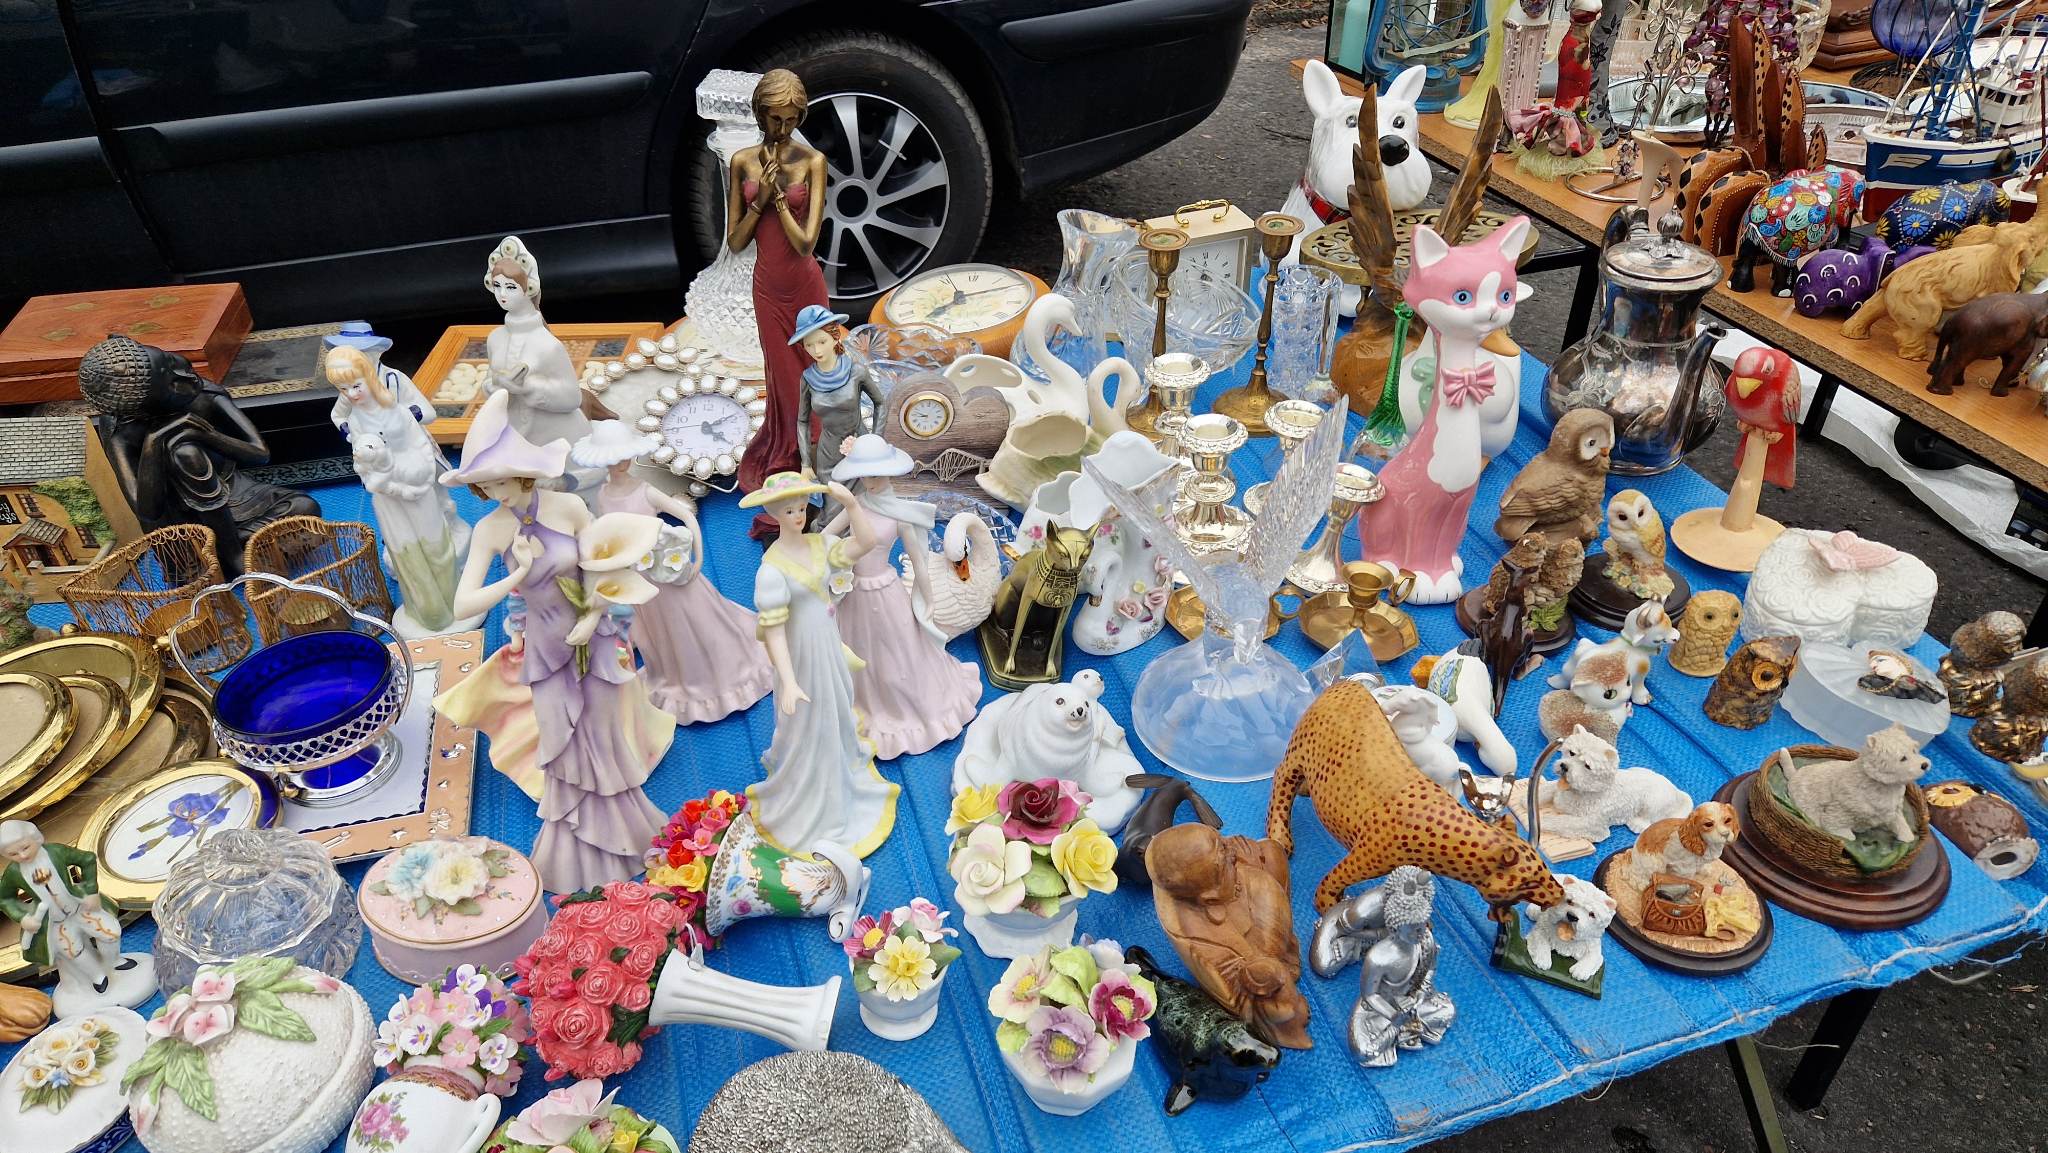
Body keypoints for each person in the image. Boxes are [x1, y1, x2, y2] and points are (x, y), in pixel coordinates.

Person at [442, 392, 671, 893]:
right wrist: (517, 573)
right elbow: (463, 606)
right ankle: (572, 848)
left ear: (523, 472)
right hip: (545, 652)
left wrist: (594, 617)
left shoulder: (568, 507)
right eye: (486, 485)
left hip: (593, 637)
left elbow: (600, 567)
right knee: (560, 741)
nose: (497, 493)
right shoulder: (490, 530)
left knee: (605, 734)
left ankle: (627, 832)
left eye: (501, 480)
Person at [739, 471, 900, 858]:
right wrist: (789, 681)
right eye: (788, 510)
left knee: (838, 702)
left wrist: (852, 505)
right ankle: (811, 781)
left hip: (828, 642)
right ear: (774, 515)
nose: (797, 516)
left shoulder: (821, 544)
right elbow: (774, 632)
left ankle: (837, 766)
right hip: (801, 652)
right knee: (807, 718)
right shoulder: (771, 569)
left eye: (801, 508)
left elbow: (866, 543)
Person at [574, 420, 773, 723]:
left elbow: (687, 516)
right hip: (638, 578)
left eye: (624, 456)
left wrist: (697, 558)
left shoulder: (644, 491)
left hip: (666, 571)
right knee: (663, 633)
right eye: (614, 459)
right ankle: (679, 674)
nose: (621, 463)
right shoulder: (602, 495)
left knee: (697, 622)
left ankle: (719, 676)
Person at [76, 334, 319, 577]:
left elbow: (260, 453)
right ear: (146, 406)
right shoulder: (122, 429)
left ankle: (222, 549)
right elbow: (147, 511)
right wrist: (154, 444)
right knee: (185, 453)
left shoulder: (203, 393)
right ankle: (232, 554)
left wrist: (206, 435)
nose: (183, 370)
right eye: (171, 377)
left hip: (234, 492)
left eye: (170, 358)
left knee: (305, 507)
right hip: (181, 517)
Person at [828, 434, 980, 759]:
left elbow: (919, 561)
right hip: (852, 591)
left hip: (884, 593)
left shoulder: (899, 513)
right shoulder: (856, 504)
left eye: (876, 474)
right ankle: (863, 701)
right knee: (856, 649)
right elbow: (826, 536)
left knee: (897, 653)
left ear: (888, 472)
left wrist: (928, 598)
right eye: (864, 475)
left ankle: (904, 708)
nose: (869, 481)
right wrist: (825, 556)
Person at [729, 69, 830, 537]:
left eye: (791, 119)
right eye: (774, 119)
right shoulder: (742, 161)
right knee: (785, 378)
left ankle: (819, 460)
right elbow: (735, 242)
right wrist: (760, 200)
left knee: (816, 371)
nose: (783, 128)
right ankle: (793, 460)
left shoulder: (812, 161)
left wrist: (780, 204)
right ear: (759, 115)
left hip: (805, 287)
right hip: (768, 287)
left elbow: (807, 243)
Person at [326, 343, 475, 636]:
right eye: (343, 389)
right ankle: (427, 611)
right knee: (405, 552)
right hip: (386, 496)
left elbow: (421, 448)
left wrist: (409, 475)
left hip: (417, 488)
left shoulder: (398, 410)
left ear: (369, 377)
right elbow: (361, 462)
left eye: (356, 386)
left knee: (436, 545)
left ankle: (453, 603)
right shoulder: (355, 420)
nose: (351, 394)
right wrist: (376, 476)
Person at [0, 819, 152, 1014]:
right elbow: (5, 898)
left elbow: (87, 859)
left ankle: (113, 961)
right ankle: (97, 976)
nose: (22, 855)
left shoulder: (55, 852)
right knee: (73, 951)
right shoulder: (14, 873)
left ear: (36, 838)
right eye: (13, 854)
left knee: (110, 932)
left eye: (25, 847)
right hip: (55, 921)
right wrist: (23, 917)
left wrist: (90, 891)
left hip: (80, 907)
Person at [792, 307, 885, 519]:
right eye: (809, 344)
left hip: (860, 447)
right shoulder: (807, 378)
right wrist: (806, 463)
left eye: (821, 341)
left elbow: (880, 402)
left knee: (866, 508)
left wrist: (876, 440)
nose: (816, 350)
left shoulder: (856, 371)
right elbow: (802, 421)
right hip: (829, 454)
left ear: (835, 337)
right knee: (832, 512)